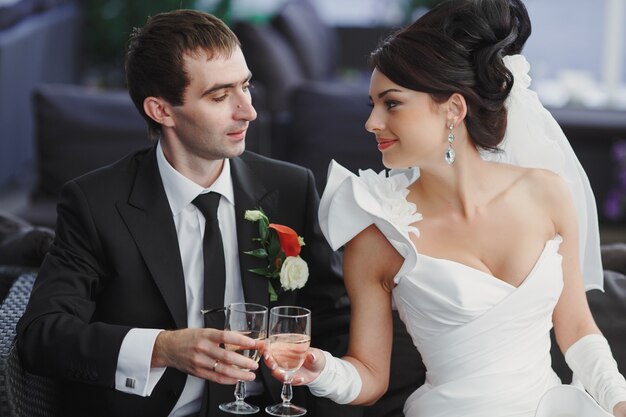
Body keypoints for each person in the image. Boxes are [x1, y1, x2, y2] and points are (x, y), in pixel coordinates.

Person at [265, 1, 626, 416]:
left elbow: (578, 330)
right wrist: (322, 369)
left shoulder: (548, 193)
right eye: (372, 105)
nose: (372, 123)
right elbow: (369, 375)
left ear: (453, 109)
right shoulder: (377, 232)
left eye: (392, 103)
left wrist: (617, 401)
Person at [16, 9, 351, 417]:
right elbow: (42, 336)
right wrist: (164, 348)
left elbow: (335, 322)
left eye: (245, 86)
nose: (248, 111)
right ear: (162, 111)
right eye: (219, 95)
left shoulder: (291, 188)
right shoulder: (95, 203)